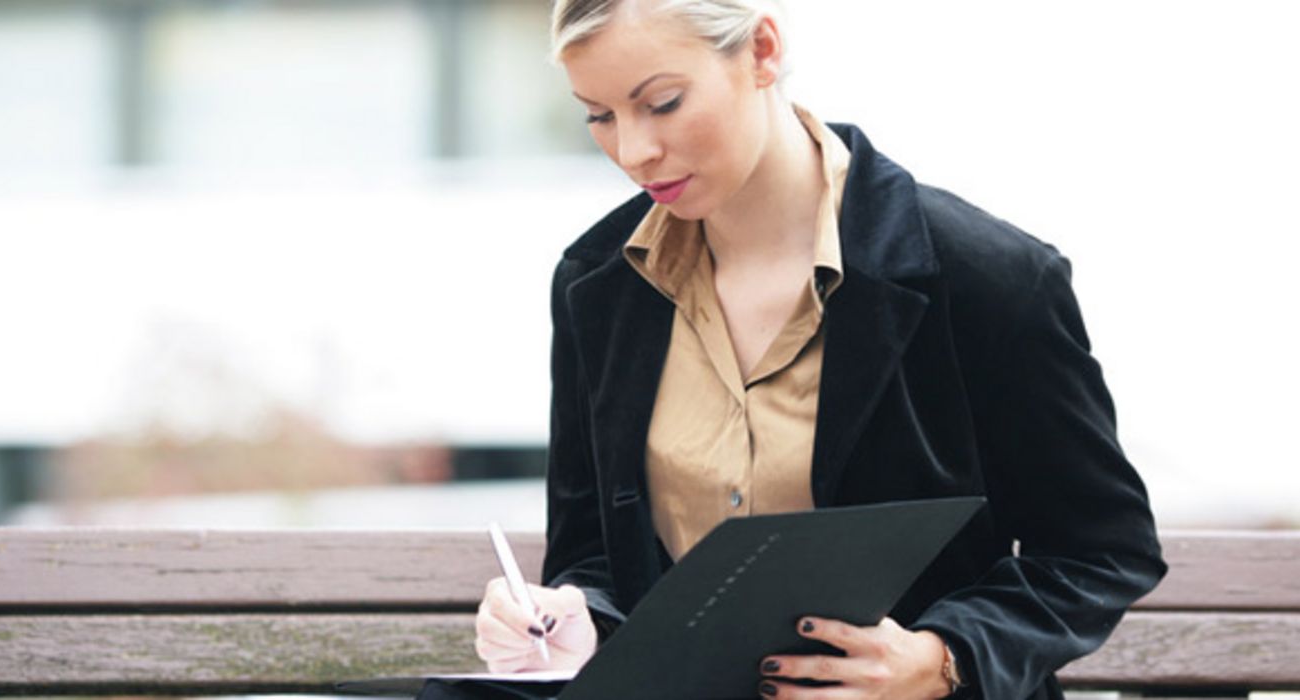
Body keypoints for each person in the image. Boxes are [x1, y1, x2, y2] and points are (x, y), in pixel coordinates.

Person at [473, 1, 1168, 698]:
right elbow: (590, 553)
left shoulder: (984, 275)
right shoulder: (598, 281)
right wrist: (573, 618)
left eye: (662, 102)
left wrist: (940, 658)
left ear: (762, 51)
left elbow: (1099, 551)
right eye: (598, 116)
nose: (633, 151)